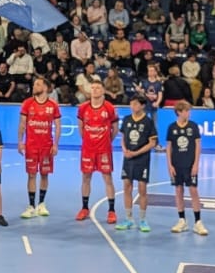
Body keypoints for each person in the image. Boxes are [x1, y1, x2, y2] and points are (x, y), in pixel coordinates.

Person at [18, 76, 61, 219]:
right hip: (31, 145)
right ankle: (31, 206)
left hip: (46, 146)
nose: (34, 86)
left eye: (37, 84)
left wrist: (55, 144)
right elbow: (22, 124)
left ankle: (41, 204)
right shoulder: (27, 103)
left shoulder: (53, 105)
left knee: (44, 174)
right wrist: (20, 142)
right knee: (31, 175)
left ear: (45, 88)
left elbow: (58, 126)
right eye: (34, 84)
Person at [76, 84, 119, 225]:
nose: (95, 90)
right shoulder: (83, 108)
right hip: (88, 149)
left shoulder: (109, 108)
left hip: (104, 150)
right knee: (85, 178)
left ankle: (111, 211)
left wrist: (107, 141)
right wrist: (88, 141)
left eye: (98, 88)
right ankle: (84, 208)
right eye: (92, 87)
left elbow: (115, 128)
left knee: (108, 178)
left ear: (103, 91)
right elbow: (81, 128)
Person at [166, 100, 207, 235]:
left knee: (193, 190)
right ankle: (182, 220)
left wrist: (196, 164)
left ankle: (198, 222)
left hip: (190, 164)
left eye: (189, 110)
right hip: (177, 164)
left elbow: (197, 146)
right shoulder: (172, 127)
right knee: (178, 190)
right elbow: (169, 148)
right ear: (179, 112)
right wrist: (169, 165)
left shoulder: (193, 126)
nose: (189, 113)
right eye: (187, 111)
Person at [117, 94, 157, 232]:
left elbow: (152, 143)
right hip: (128, 158)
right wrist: (124, 150)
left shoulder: (148, 121)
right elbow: (123, 137)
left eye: (135, 104)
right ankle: (128, 219)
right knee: (127, 186)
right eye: (131, 103)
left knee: (142, 189)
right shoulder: (127, 119)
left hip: (141, 159)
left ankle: (143, 220)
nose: (132, 106)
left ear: (142, 105)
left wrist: (136, 152)